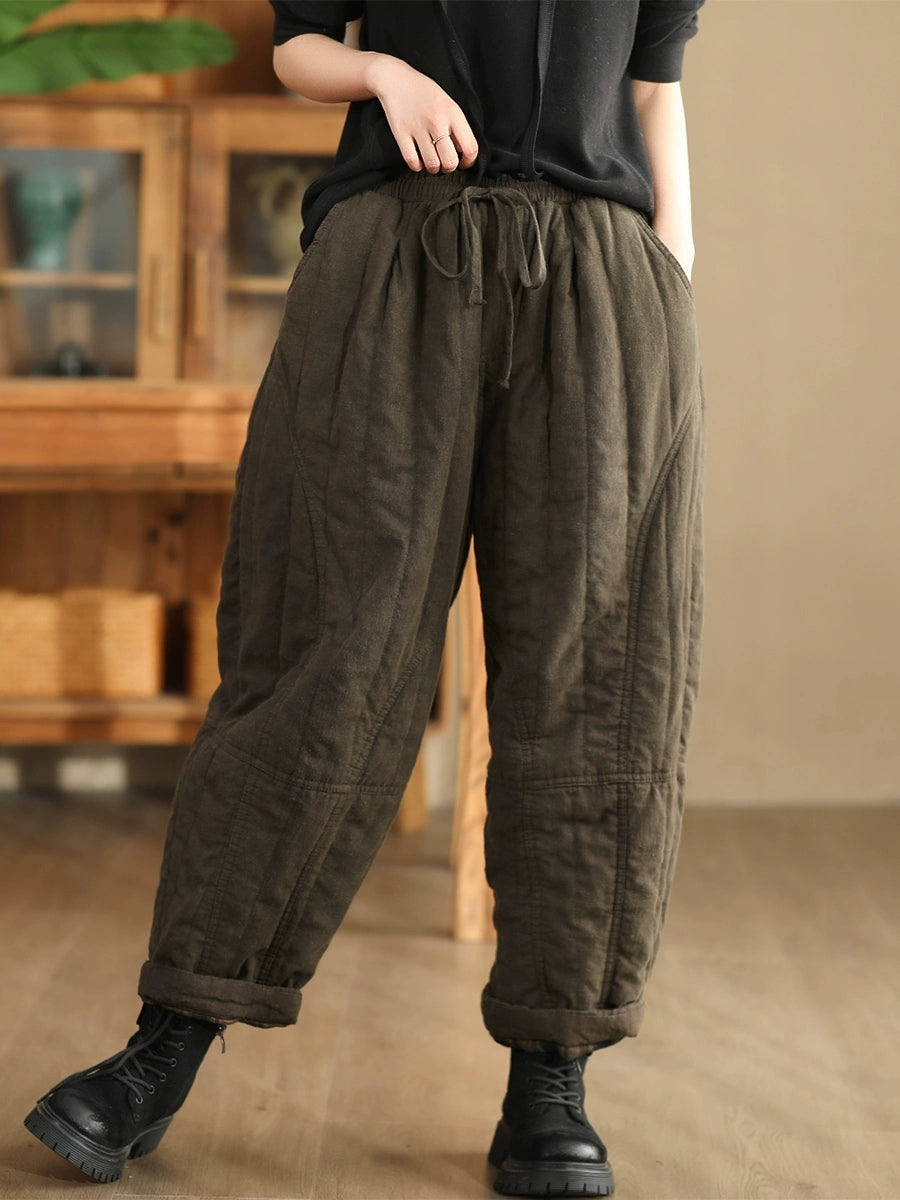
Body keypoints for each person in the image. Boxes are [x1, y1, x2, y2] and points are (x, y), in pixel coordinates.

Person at [24, 2, 705, 1196]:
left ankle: (552, 1074)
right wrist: (383, 73)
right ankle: (166, 1045)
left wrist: (670, 284)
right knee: (321, 656)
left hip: (600, 287)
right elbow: (297, 45)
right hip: (392, 261)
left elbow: (654, 91)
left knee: (599, 682)